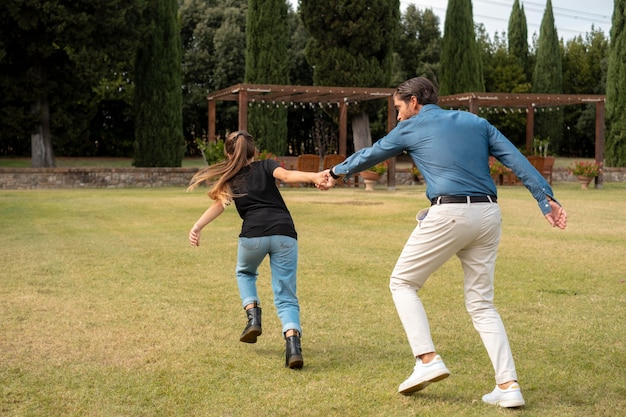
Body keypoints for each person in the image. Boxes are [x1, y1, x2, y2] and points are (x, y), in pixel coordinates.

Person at [320, 77, 567, 407]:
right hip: (489, 215)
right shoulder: (476, 122)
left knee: (403, 282)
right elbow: (515, 158)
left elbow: (373, 152)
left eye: (398, 108)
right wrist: (544, 198)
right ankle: (508, 386)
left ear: (414, 102)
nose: (397, 116)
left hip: (450, 213)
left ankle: (427, 360)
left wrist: (335, 173)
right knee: (482, 304)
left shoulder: (412, 126)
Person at [188, 130, 326, 369]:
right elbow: (287, 175)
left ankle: (253, 316)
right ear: (255, 152)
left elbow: (219, 206)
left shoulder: (231, 178)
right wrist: (315, 176)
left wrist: (197, 226)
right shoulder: (266, 166)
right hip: (284, 233)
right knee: (286, 295)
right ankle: (293, 345)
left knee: (245, 273)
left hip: (253, 236)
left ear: (229, 153)